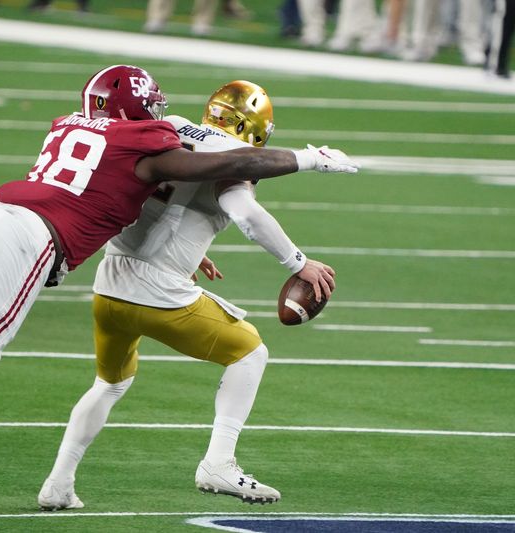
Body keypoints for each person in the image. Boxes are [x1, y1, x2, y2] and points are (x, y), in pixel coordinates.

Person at [0, 64, 358, 510]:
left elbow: (120, 197)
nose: (160, 109)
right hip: (36, 240)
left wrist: (191, 244)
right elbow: (213, 173)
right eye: (150, 104)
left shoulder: (71, 124)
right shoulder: (151, 139)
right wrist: (309, 163)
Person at [36, 80, 335, 510]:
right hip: (157, 292)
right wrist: (298, 262)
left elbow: (150, 201)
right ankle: (219, 462)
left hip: (110, 283)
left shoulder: (170, 128)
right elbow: (245, 214)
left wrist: (190, 251)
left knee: (109, 383)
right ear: (257, 129)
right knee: (250, 352)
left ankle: (58, 484)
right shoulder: (235, 156)